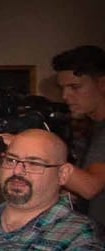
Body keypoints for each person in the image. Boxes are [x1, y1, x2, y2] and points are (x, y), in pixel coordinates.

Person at [54, 45, 105, 233]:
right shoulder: (92, 127)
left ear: (102, 84)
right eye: (63, 88)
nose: (65, 96)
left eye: (75, 87)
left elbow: (89, 187)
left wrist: (33, 153)